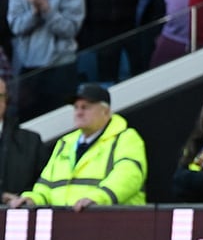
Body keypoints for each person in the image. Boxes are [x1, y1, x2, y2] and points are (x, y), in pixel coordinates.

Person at [8, 83, 146, 210]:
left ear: (105, 111)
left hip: (110, 222)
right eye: (76, 107)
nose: (79, 112)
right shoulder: (65, 143)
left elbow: (128, 177)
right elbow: (46, 186)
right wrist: (32, 199)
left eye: (85, 107)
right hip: (66, 223)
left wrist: (98, 198)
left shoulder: (126, 138)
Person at [0, 77, 50, 206]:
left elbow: (45, 184)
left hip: (19, 214)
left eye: (0, 96)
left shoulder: (32, 141)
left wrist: (27, 198)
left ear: (6, 100)